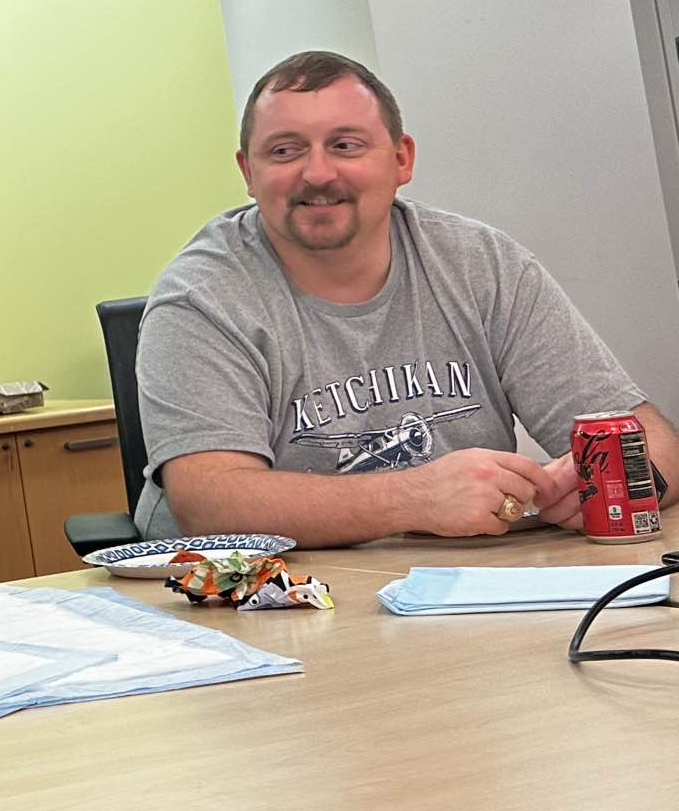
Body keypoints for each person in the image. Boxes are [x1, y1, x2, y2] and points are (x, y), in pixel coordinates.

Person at [132, 49, 677, 546]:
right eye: (284, 150)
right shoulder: (201, 299)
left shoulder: (481, 265)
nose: (318, 173)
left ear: (401, 160)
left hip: (459, 583)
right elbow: (209, 503)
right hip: (250, 604)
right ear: (248, 173)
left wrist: (608, 487)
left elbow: (650, 441)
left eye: (346, 145)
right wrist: (416, 497)